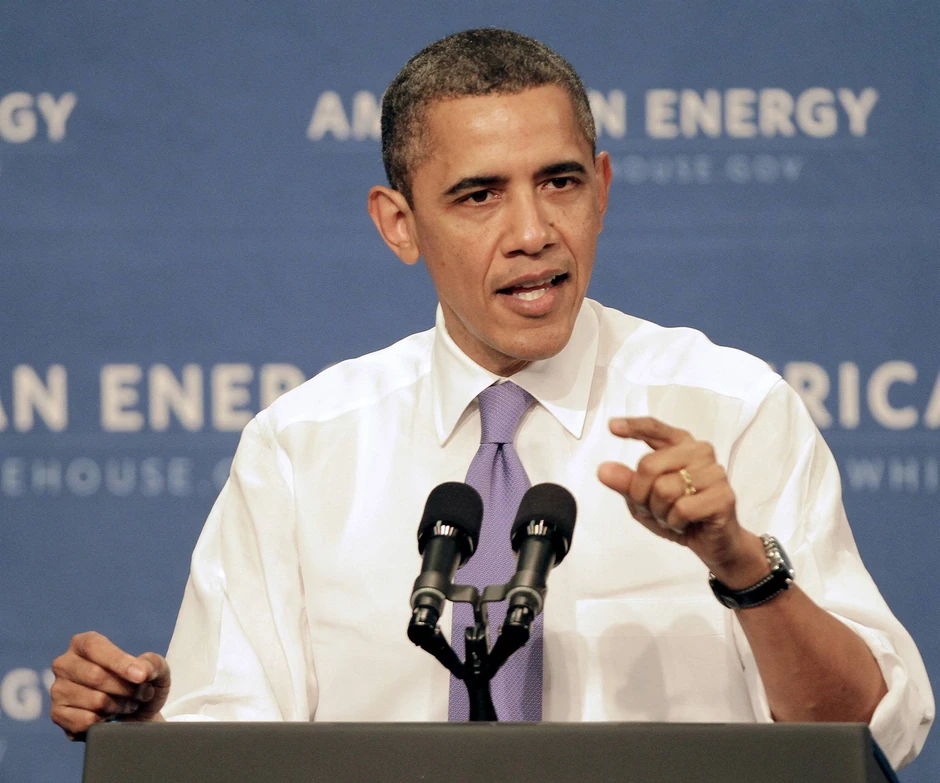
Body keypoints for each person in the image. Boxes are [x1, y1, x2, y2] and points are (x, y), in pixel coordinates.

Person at [50, 28, 933, 768]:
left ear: (603, 189)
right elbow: (228, 740)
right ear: (399, 224)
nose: (533, 232)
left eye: (560, 182)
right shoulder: (301, 446)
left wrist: (742, 566)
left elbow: (871, 735)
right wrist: (149, 734)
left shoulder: (731, 408)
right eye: (479, 195)